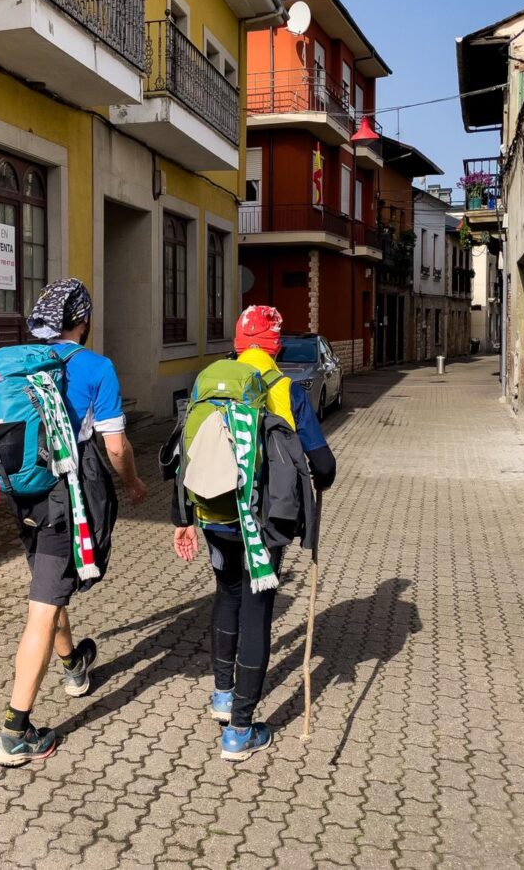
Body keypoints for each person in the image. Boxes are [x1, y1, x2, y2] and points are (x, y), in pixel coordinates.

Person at [0, 278, 147, 767]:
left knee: (48, 585)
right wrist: (133, 484)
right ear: (82, 321)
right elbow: (116, 447)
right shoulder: (96, 368)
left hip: (23, 494)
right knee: (41, 610)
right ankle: (15, 732)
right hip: (67, 499)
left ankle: (73, 664)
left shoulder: (17, 366)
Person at [172, 306, 336, 761]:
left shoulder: (210, 382)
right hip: (260, 522)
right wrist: (318, 479)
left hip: (213, 513)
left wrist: (183, 516)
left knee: (226, 595)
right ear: (276, 346)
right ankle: (240, 732)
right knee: (256, 609)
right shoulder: (284, 388)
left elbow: (184, 450)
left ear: (240, 343)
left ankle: (222, 697)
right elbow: (323, 464)